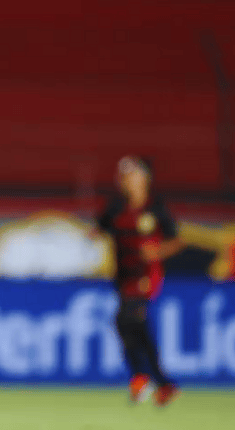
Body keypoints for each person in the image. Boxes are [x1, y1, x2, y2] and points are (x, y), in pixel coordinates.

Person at [94, 156, 184, 407]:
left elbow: (176, 241)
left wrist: (157, 252)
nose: (126, 181)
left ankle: (141, 378)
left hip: (146, 275)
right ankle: (162, 383)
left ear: (145, 179)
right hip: (123, 276)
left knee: (127, 319)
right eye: (123, 177)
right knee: (134, 326)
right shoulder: (116, 207)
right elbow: (100, 228)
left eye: (131, 176)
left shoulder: (155, 208)